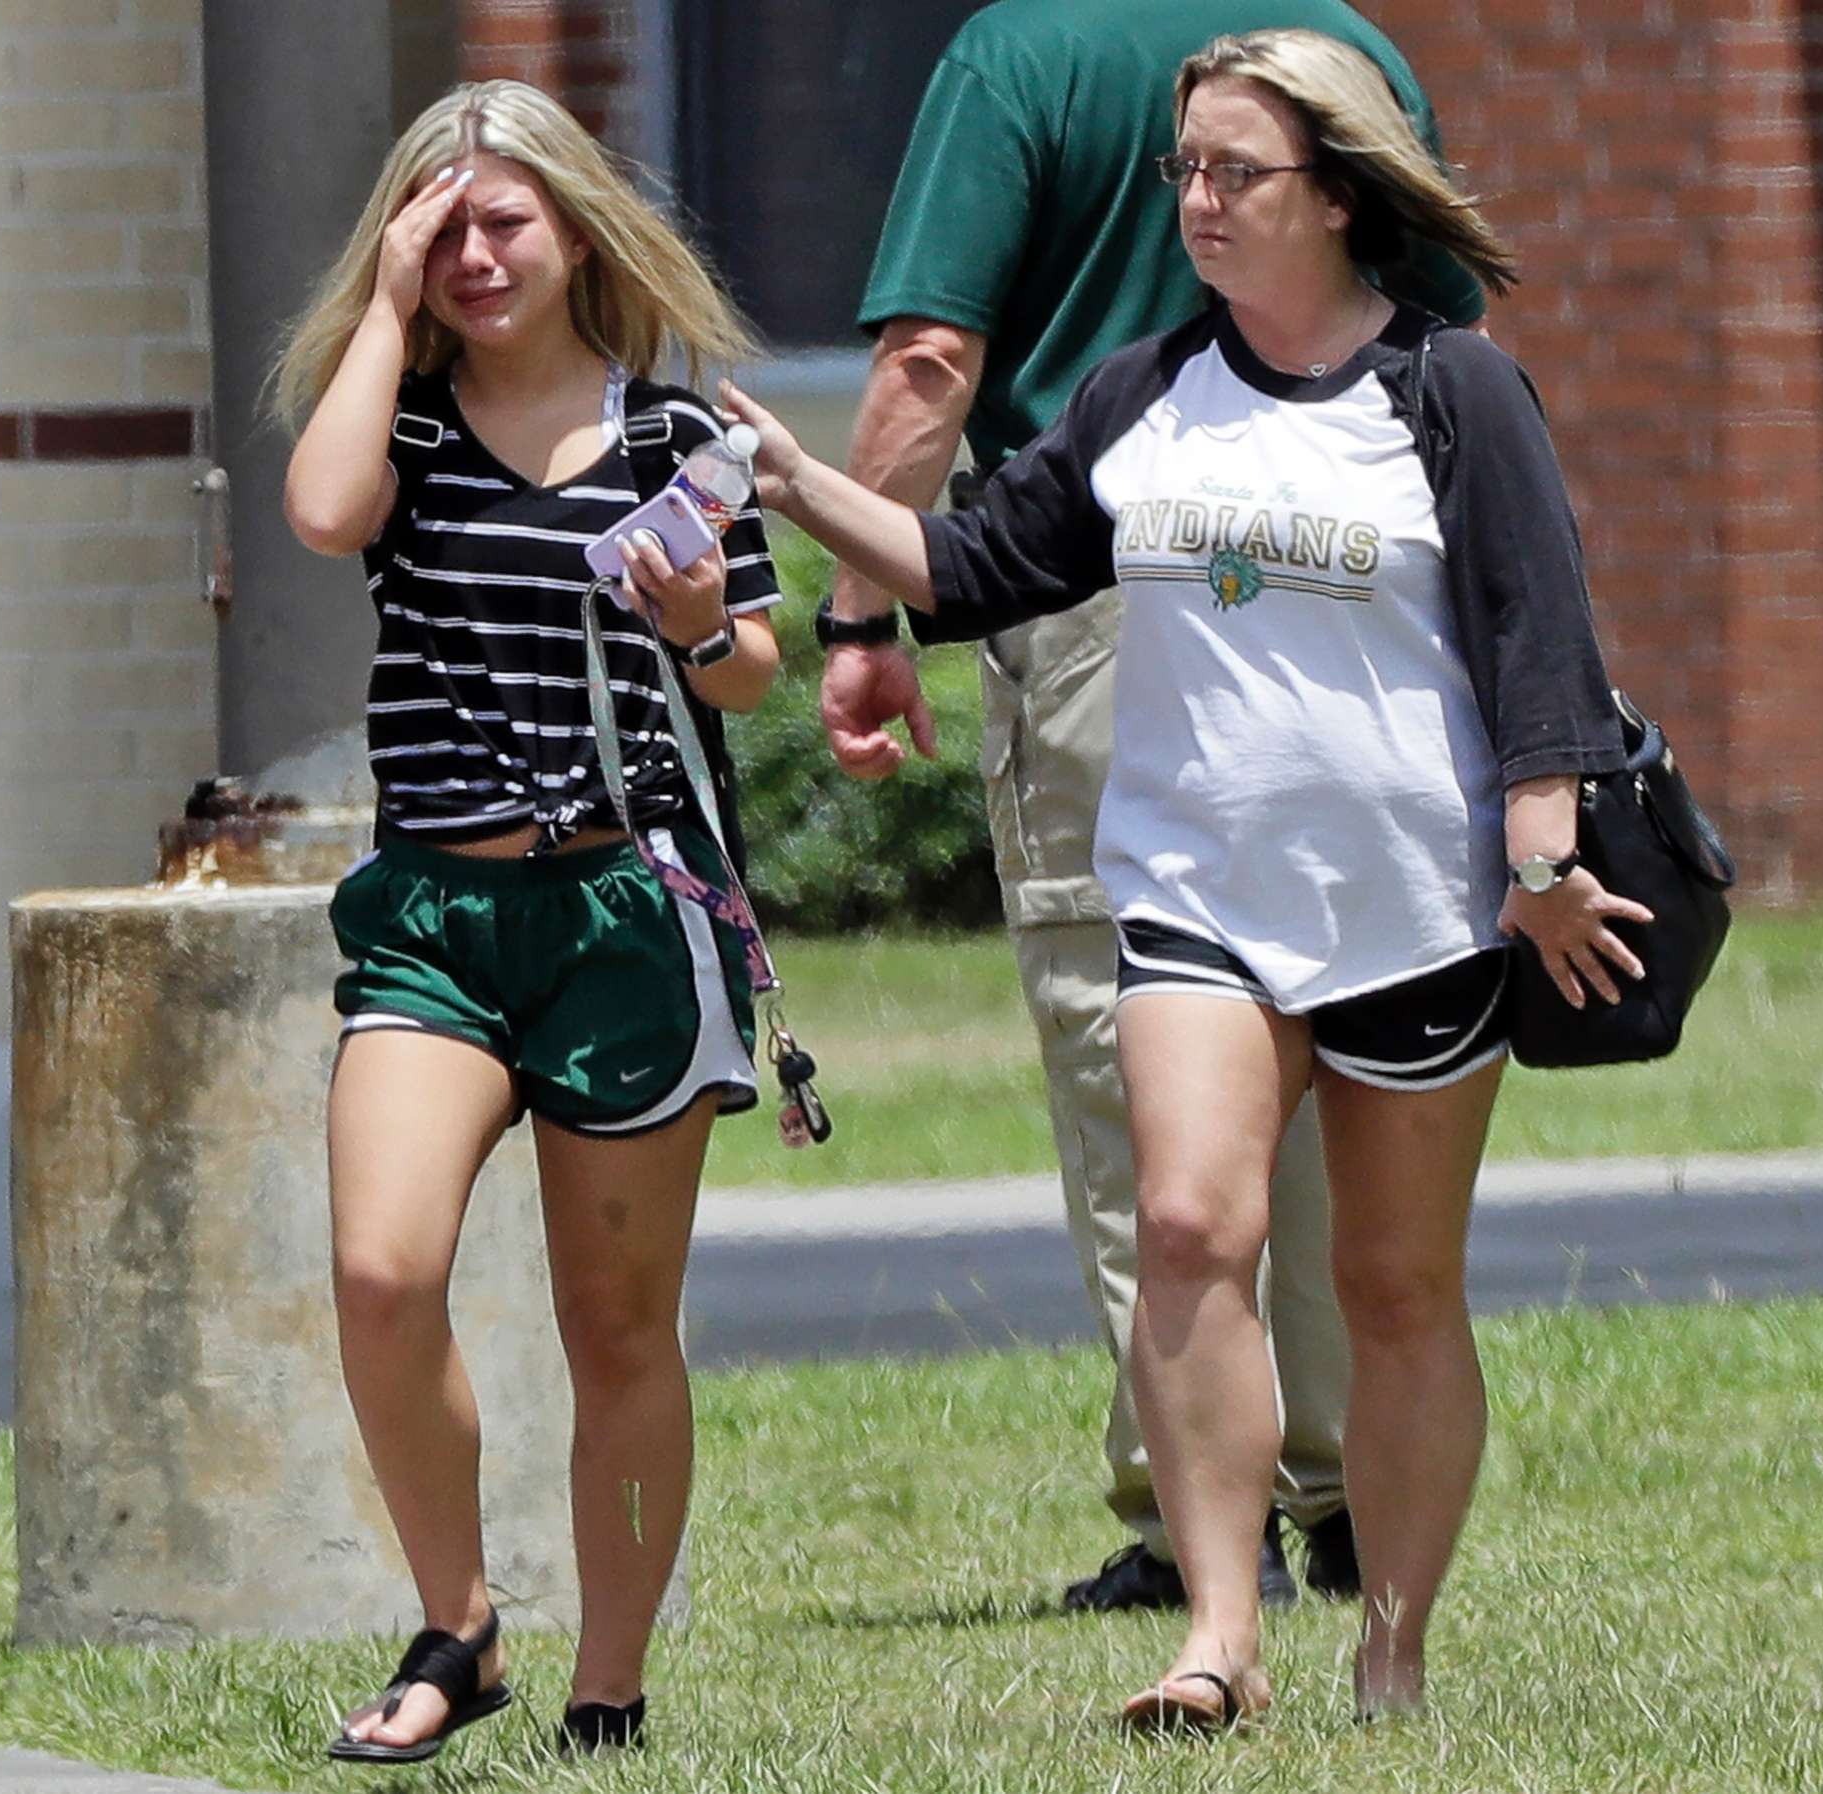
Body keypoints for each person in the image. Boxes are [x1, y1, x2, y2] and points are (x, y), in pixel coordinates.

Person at [724, 28, 1648, 1728]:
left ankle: (1394, 1646)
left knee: (1392, 1285)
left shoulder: (1450, 389)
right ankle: (1219, 1633)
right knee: (1187, 1228)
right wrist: (807, 494)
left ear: (1337, 193)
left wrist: (1542, 859)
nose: (1200, 203)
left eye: (1237, 173)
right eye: (1187, 172)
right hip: (1191, 892)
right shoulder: (1144, 391)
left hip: (1415, 905)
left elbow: (1542, 646)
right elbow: (980, 564)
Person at [821, 0, 1498, 1619]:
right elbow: (1446, 342)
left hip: (1119, 568)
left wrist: (856, 616)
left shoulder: (1024, 51)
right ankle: (1341, 1485)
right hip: (1353, 592)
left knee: (1142, 1053)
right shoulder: (1341, 42)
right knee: (1343, 1028)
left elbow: (931, 362)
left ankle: (1196, 1516)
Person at [275, 79, 781, 1762]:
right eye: (440, 227)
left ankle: (609, 1686)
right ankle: (459, 1622)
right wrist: (383, 302)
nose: (476, 254)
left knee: (619, 1323)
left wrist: (706, 619)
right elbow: (322, 512)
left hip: (626, 914)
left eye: (504, 221)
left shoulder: (676, 435)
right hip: (435, 906)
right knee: (378, 1266)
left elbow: (747, 678)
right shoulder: (402, 423)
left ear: (576, 228)